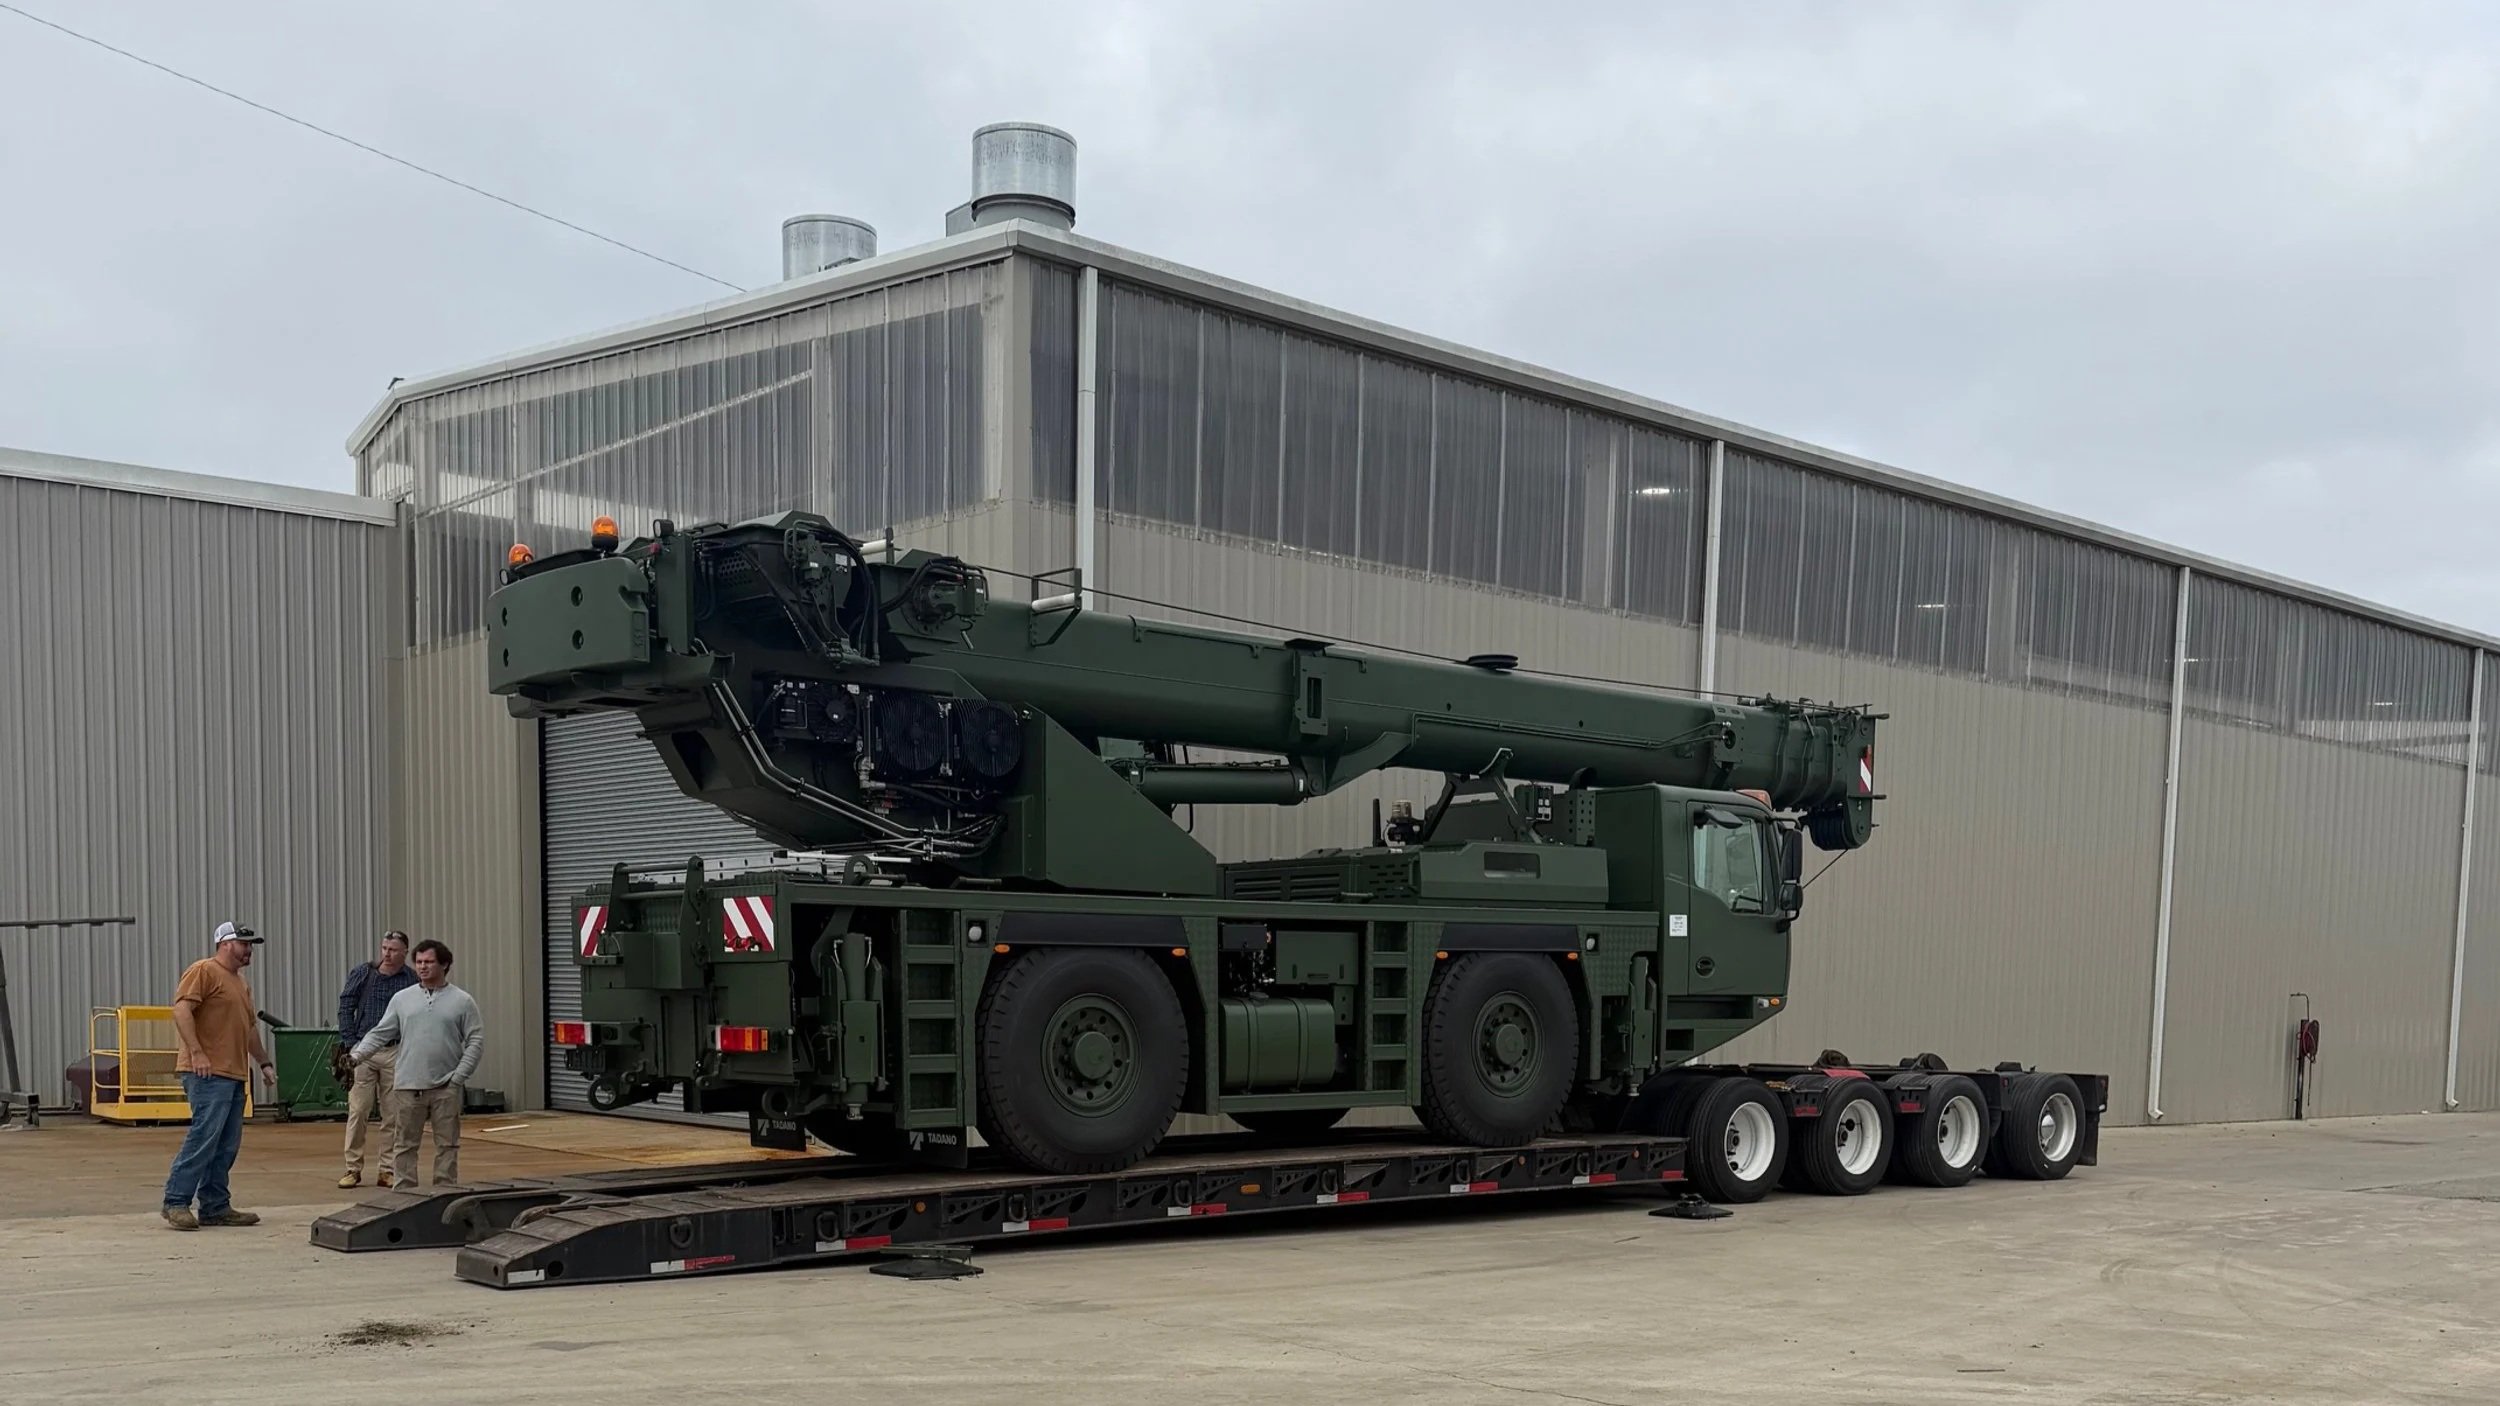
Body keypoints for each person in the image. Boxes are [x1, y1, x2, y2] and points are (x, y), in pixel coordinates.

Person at [161, 921, 275, 1231]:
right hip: (207, 1072)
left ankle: (215, 1206)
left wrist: (264, 1062)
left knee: (226, 1145)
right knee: (204, 1137)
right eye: (243, 943)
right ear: (225, 944)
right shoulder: (204, 971)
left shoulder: (240, 983)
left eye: (250, 945)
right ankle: (176, 1201)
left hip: (234, 1073)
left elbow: (249, 1028)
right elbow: (181, 1010)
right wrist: (197, 1053)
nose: (249, 950)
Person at [350, 938, 484, 1188]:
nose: (423, 967)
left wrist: (458, 1078)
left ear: (445, 964)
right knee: (404, 1145)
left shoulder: (462, 1001)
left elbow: (475, 1041)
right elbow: (380, 1033)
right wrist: (356, 1056)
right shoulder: (402, 999)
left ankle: (444, 1192)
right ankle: (405, 1195)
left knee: (447, 1145)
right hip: (408, 1086)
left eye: (429, 962)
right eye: (419, 962)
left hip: (446, 1086)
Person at [334, 930, 418, 1189]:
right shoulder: (364, 973)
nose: (387, 954)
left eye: (393, 950)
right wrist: (351, 1043)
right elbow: (346, 1006)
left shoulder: (411, 979)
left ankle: (387, 1169)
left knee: (393, 1113)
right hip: (363, 1050)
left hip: (395, 1051)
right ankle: (353, 1167)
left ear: (405, 952)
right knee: (358, 1110)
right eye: (384, 948)